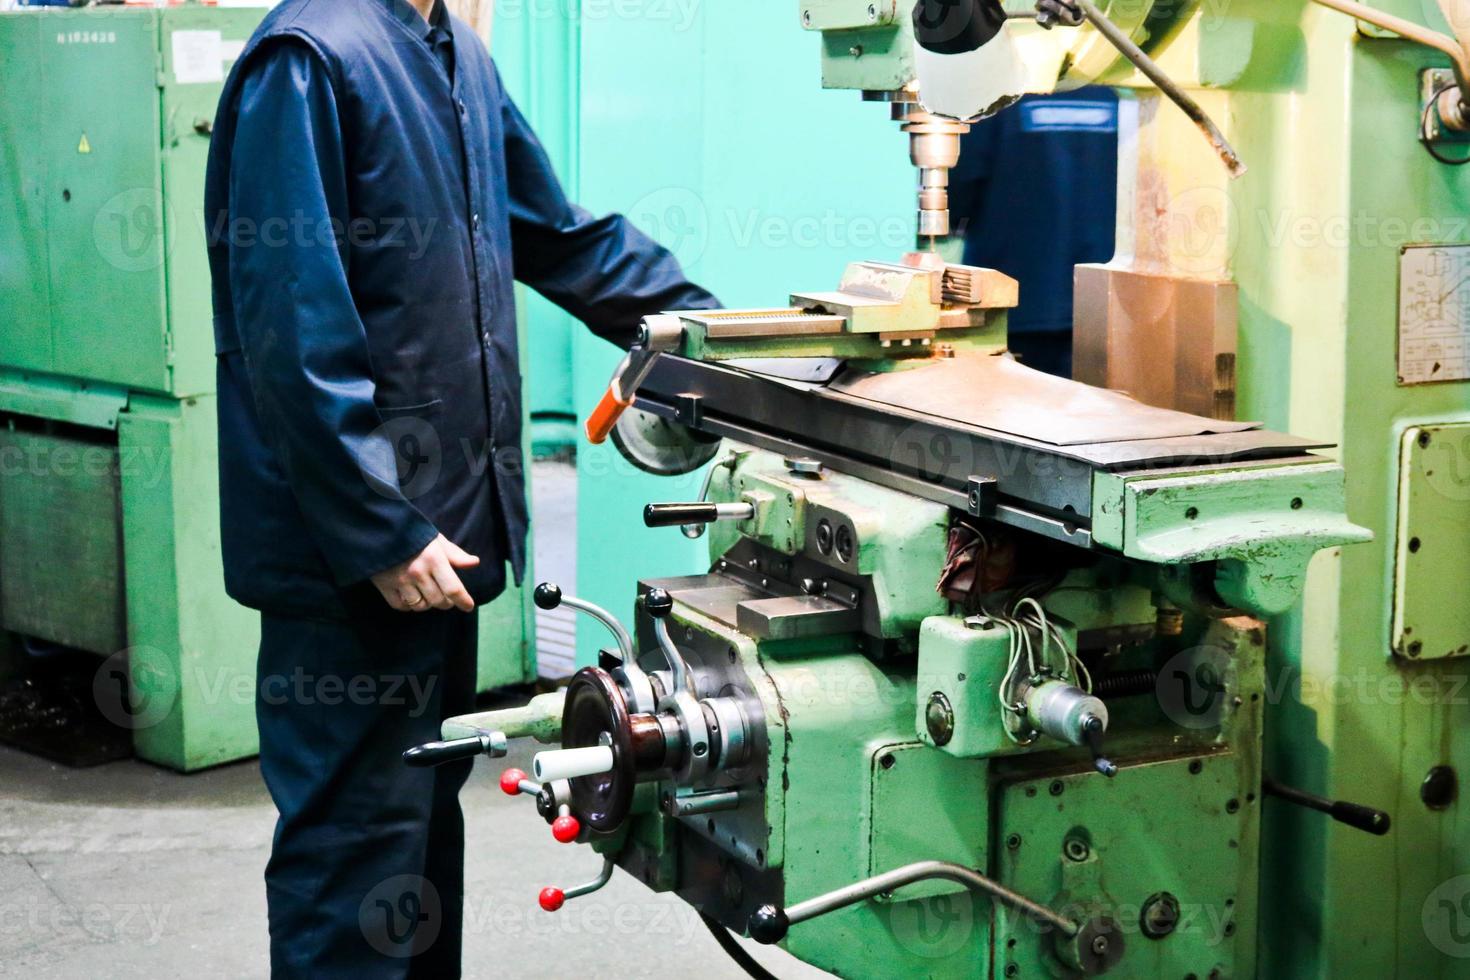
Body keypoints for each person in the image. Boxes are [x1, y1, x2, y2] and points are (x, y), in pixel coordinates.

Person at [202, 0, 718, 974]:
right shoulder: (311, 55)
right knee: (352, 854)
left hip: (449, 540)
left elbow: (560, 237)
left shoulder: (458, 59)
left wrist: (710, 334)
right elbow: (290, 327)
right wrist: (381, 526)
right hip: (360, 560)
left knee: (420, 842)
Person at [949, 87, 1119, 378]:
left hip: (1015, 302)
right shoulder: (1123, 94)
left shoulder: (996, 93)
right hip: (1109, 308)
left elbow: (956, 198)